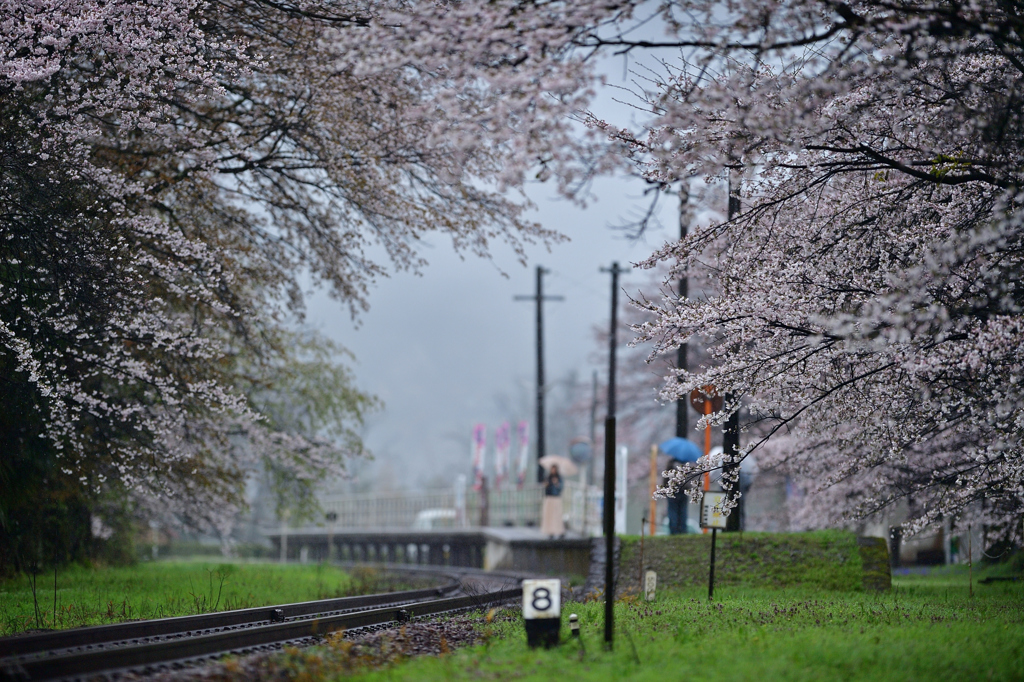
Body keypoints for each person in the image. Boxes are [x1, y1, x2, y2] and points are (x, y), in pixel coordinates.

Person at [541, 464, 564, 538]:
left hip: (556, 498)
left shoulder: (559, 478)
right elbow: (545, 487)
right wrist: (546, 485)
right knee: (549, 515)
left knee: (557, 515)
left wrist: (556, 483)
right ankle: (550, 531)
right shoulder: (548, 477)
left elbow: (561, 488)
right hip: (549, 497)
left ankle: (559, 531)